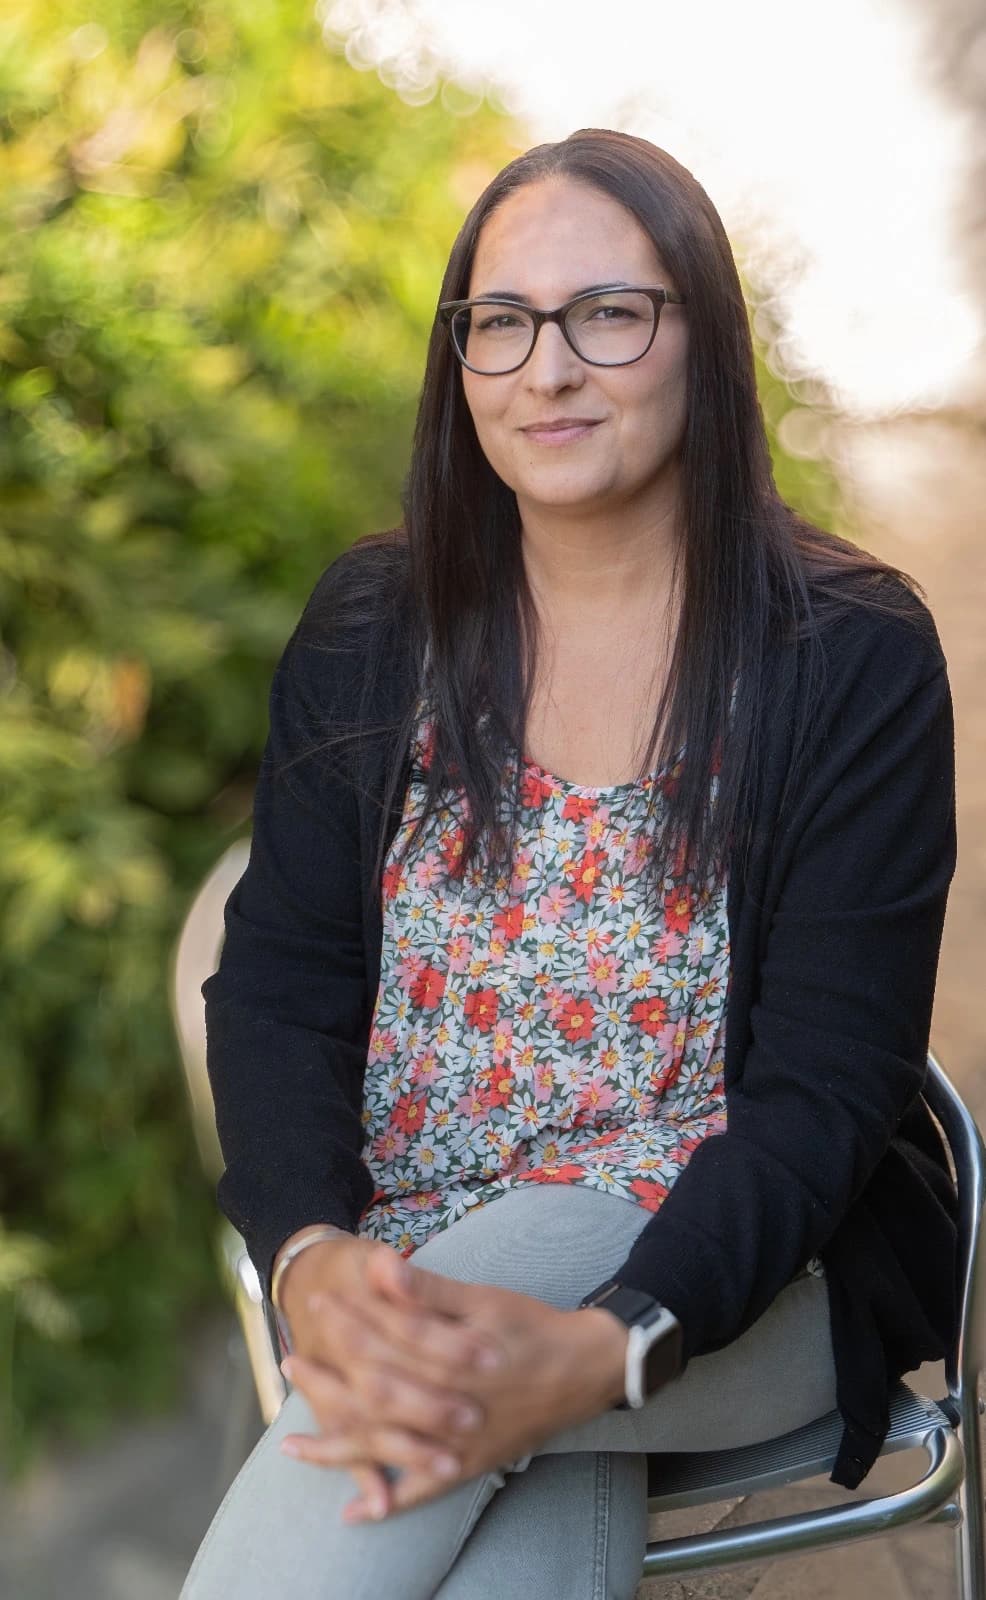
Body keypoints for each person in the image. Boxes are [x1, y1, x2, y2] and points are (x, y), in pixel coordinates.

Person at [180, 128, 959, 1600]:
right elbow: (277, 983)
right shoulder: (370, 627)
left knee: (509, 1276)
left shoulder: (848, 657)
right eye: (500, 322)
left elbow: (826, 1091)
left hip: (726, 1288)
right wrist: (311, 1258)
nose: (547, 369)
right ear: (458, 359)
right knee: (499, 1524)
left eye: (608, 313)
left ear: (700, 340)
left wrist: (613, 1346)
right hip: (400, 1279)